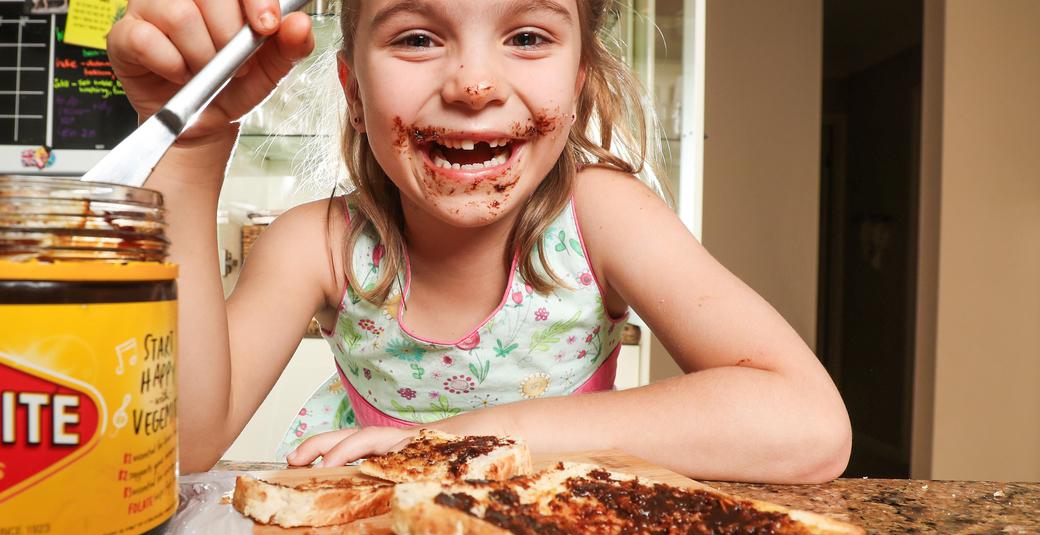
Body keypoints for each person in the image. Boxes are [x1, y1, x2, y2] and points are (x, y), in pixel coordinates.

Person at [106, 0, 851, 483]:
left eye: (527, 37)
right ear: (355, 93)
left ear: (579, 81)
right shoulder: (320, 245)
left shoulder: (602, 220)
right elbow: (178, 449)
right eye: (419, 37)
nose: (473, 83)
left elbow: (808, 425)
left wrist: (472, 437)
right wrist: (195, 146)